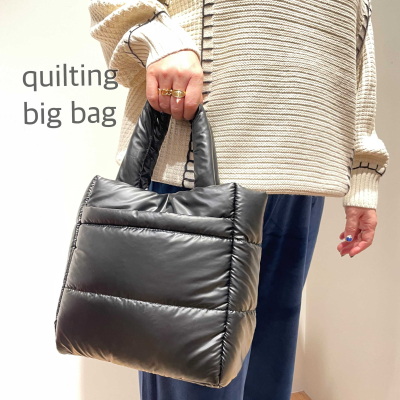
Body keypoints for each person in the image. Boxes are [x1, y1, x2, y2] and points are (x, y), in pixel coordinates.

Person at [88, 0, 390, 399]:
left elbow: (358, 36)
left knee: (269, 359)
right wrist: (160, 40)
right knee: (192, 373)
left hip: (303, 169)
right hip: (197, 167)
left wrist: (363, 173)